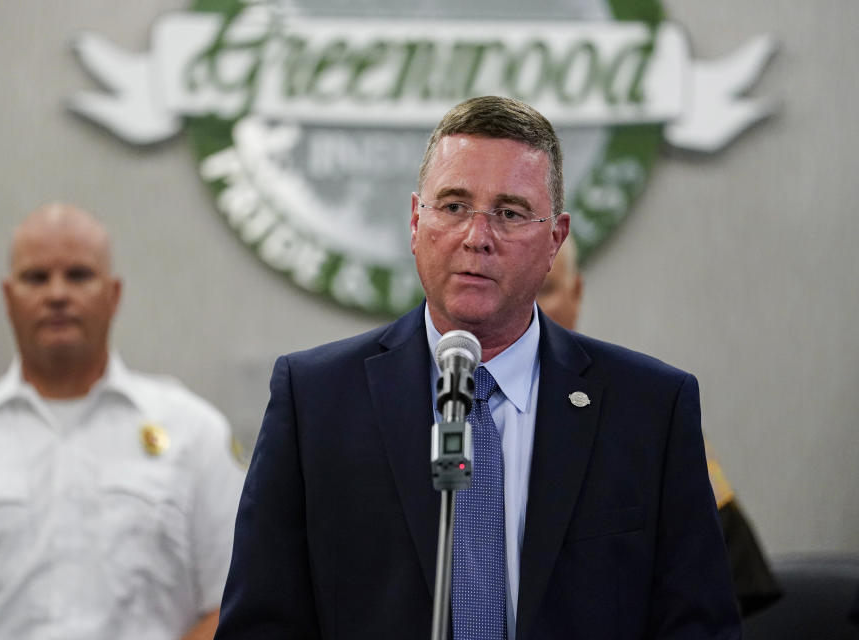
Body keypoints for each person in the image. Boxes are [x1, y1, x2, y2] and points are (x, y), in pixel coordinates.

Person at [214, 96, 741, 639]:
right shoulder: (316, 402)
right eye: (454, 206)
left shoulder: (650, 409)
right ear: (417, 221)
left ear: (555, 239)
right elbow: (261, 625)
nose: (477, 237)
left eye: (510, 213)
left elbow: (697, 627)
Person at [0, 204, 244, 640]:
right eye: (36, 278)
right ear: (8, 298)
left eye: (79, 275)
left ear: (114, 294)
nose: (57, 293)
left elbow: (234, 606)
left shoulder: (196, 435)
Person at [537, 235, 783, 617]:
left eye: (546, 290)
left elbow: (730, 578)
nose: (531, 311)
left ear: (576, 292)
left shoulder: (647, 410)